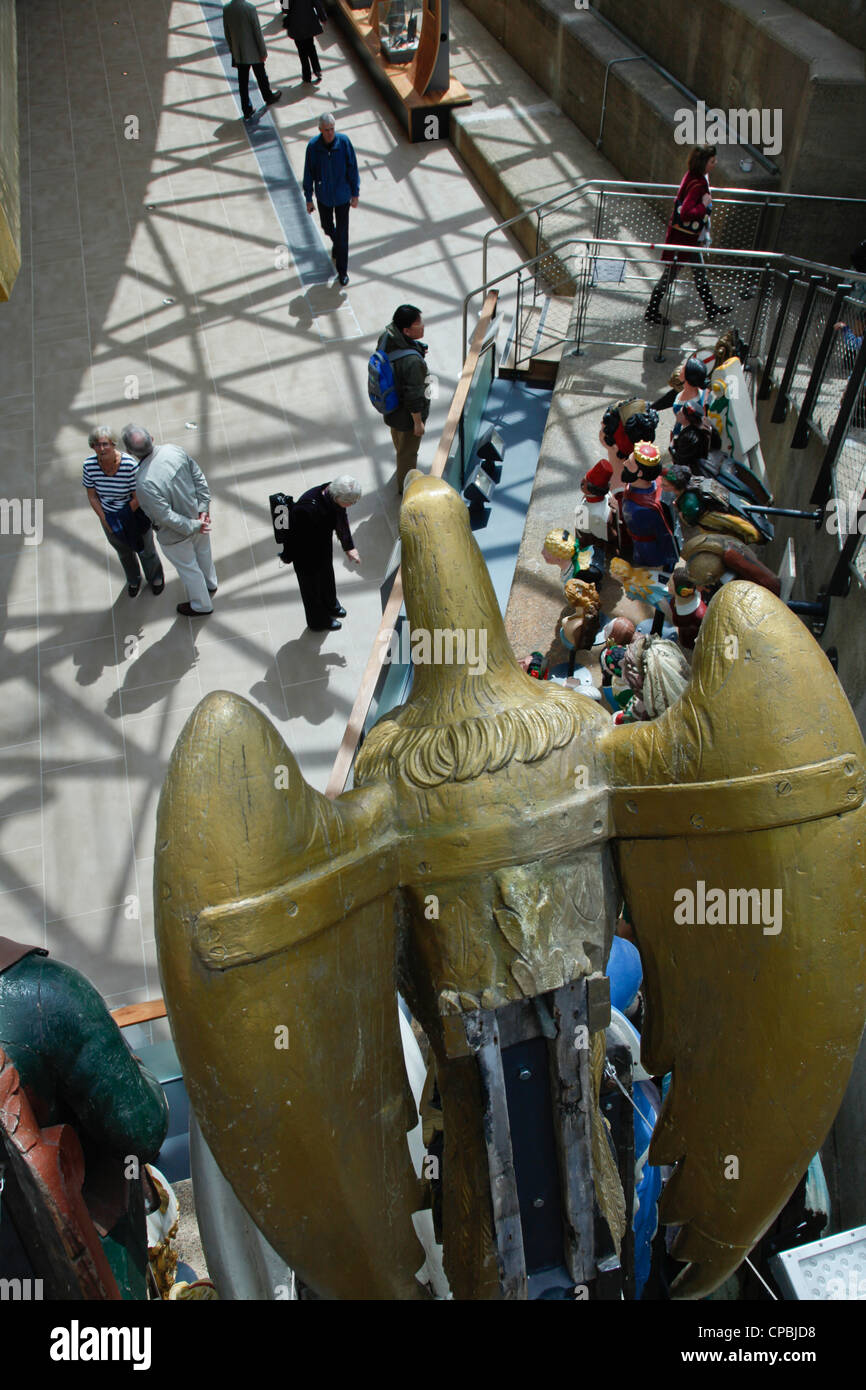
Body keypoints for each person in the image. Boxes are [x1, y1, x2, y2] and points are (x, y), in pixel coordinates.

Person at [122, 425, 217, 618]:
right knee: (204, 554)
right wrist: (202, 510)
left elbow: (164, 516)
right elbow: (198, 477)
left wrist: (193, 526)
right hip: (198, 518)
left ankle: (201, 605)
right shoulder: (174, 450)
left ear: (129, 452)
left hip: (176, 535)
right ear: (152, 437)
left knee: (189, 569)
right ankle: (211, 583)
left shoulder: (143, 482)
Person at [645, 146, 731, 326]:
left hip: (687, 239)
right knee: (670, 276)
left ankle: (710, 307)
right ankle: (652, 311)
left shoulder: (691, 176)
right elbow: (686, 212)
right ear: (704, 162)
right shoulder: (698, 184)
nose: (715, 164)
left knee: (698, 272)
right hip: (684, 241)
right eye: (712, 161)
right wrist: (704, 205)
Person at [82, 426, 164, 598]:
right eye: (97, 445)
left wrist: (123, 516)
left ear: (113, 445)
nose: (101, 448)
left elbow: (138, 496)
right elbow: (92, 496)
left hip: (132, 514)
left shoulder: (129, 465)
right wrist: (106, 519)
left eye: (105, 444)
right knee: (124, 552)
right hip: (109, 516)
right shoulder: (89, 466)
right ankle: (133, 579)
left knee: (146, 549)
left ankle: (155, 577)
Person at [290, 476, 361, 632]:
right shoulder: (307, 508)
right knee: (311, 589)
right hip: (306, 554)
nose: (352, 505)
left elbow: (341, 519)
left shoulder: (332, 495)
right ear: (337, 497)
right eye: (351, 502)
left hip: (321, 547)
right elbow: (298, 539)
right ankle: (317, 621)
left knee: (327, 576)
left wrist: (349, 547)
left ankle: (331, 605)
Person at [375, 306, 429, 493]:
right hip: (407, 416)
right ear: (406, 330)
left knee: (399, 441)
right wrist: (418, 423)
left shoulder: (386, 336)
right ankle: (407, 489)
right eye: (418, 324)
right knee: (408, 454)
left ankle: (401, 464)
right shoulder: (412, 363)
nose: (423, 326)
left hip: (391, 407)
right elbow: (414, 396)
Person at [303, 114, 360, 287]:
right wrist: (308, 198)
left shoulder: (343, 143)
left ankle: (342, 271)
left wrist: (355, 193)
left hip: (342, 197)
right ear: (320, 130)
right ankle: (337, 242)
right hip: (324, 197)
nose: (330, 133)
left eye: (332, 129)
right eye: (326, 130)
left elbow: (353, 168)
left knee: (343, 235)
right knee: (327, 226)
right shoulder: (313, 147)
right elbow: (308, 172)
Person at [222, 0, 281, 120]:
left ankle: (246, 109)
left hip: (239, 53)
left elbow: (227, 32)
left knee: (243, 82)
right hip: (254, 51)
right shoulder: (250, 8)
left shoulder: (227, 9)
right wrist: (263, 51)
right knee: (261, 76)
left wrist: (233, 51)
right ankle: (268, 96)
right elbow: (257, 32)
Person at [282, 0, 328, 85]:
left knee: (302, 52)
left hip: (296, 25)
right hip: (309, 23)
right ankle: (317, 70)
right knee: (311, 47)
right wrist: (323, 18)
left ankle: (306, 76)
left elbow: (285, 9)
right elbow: (317, 4)